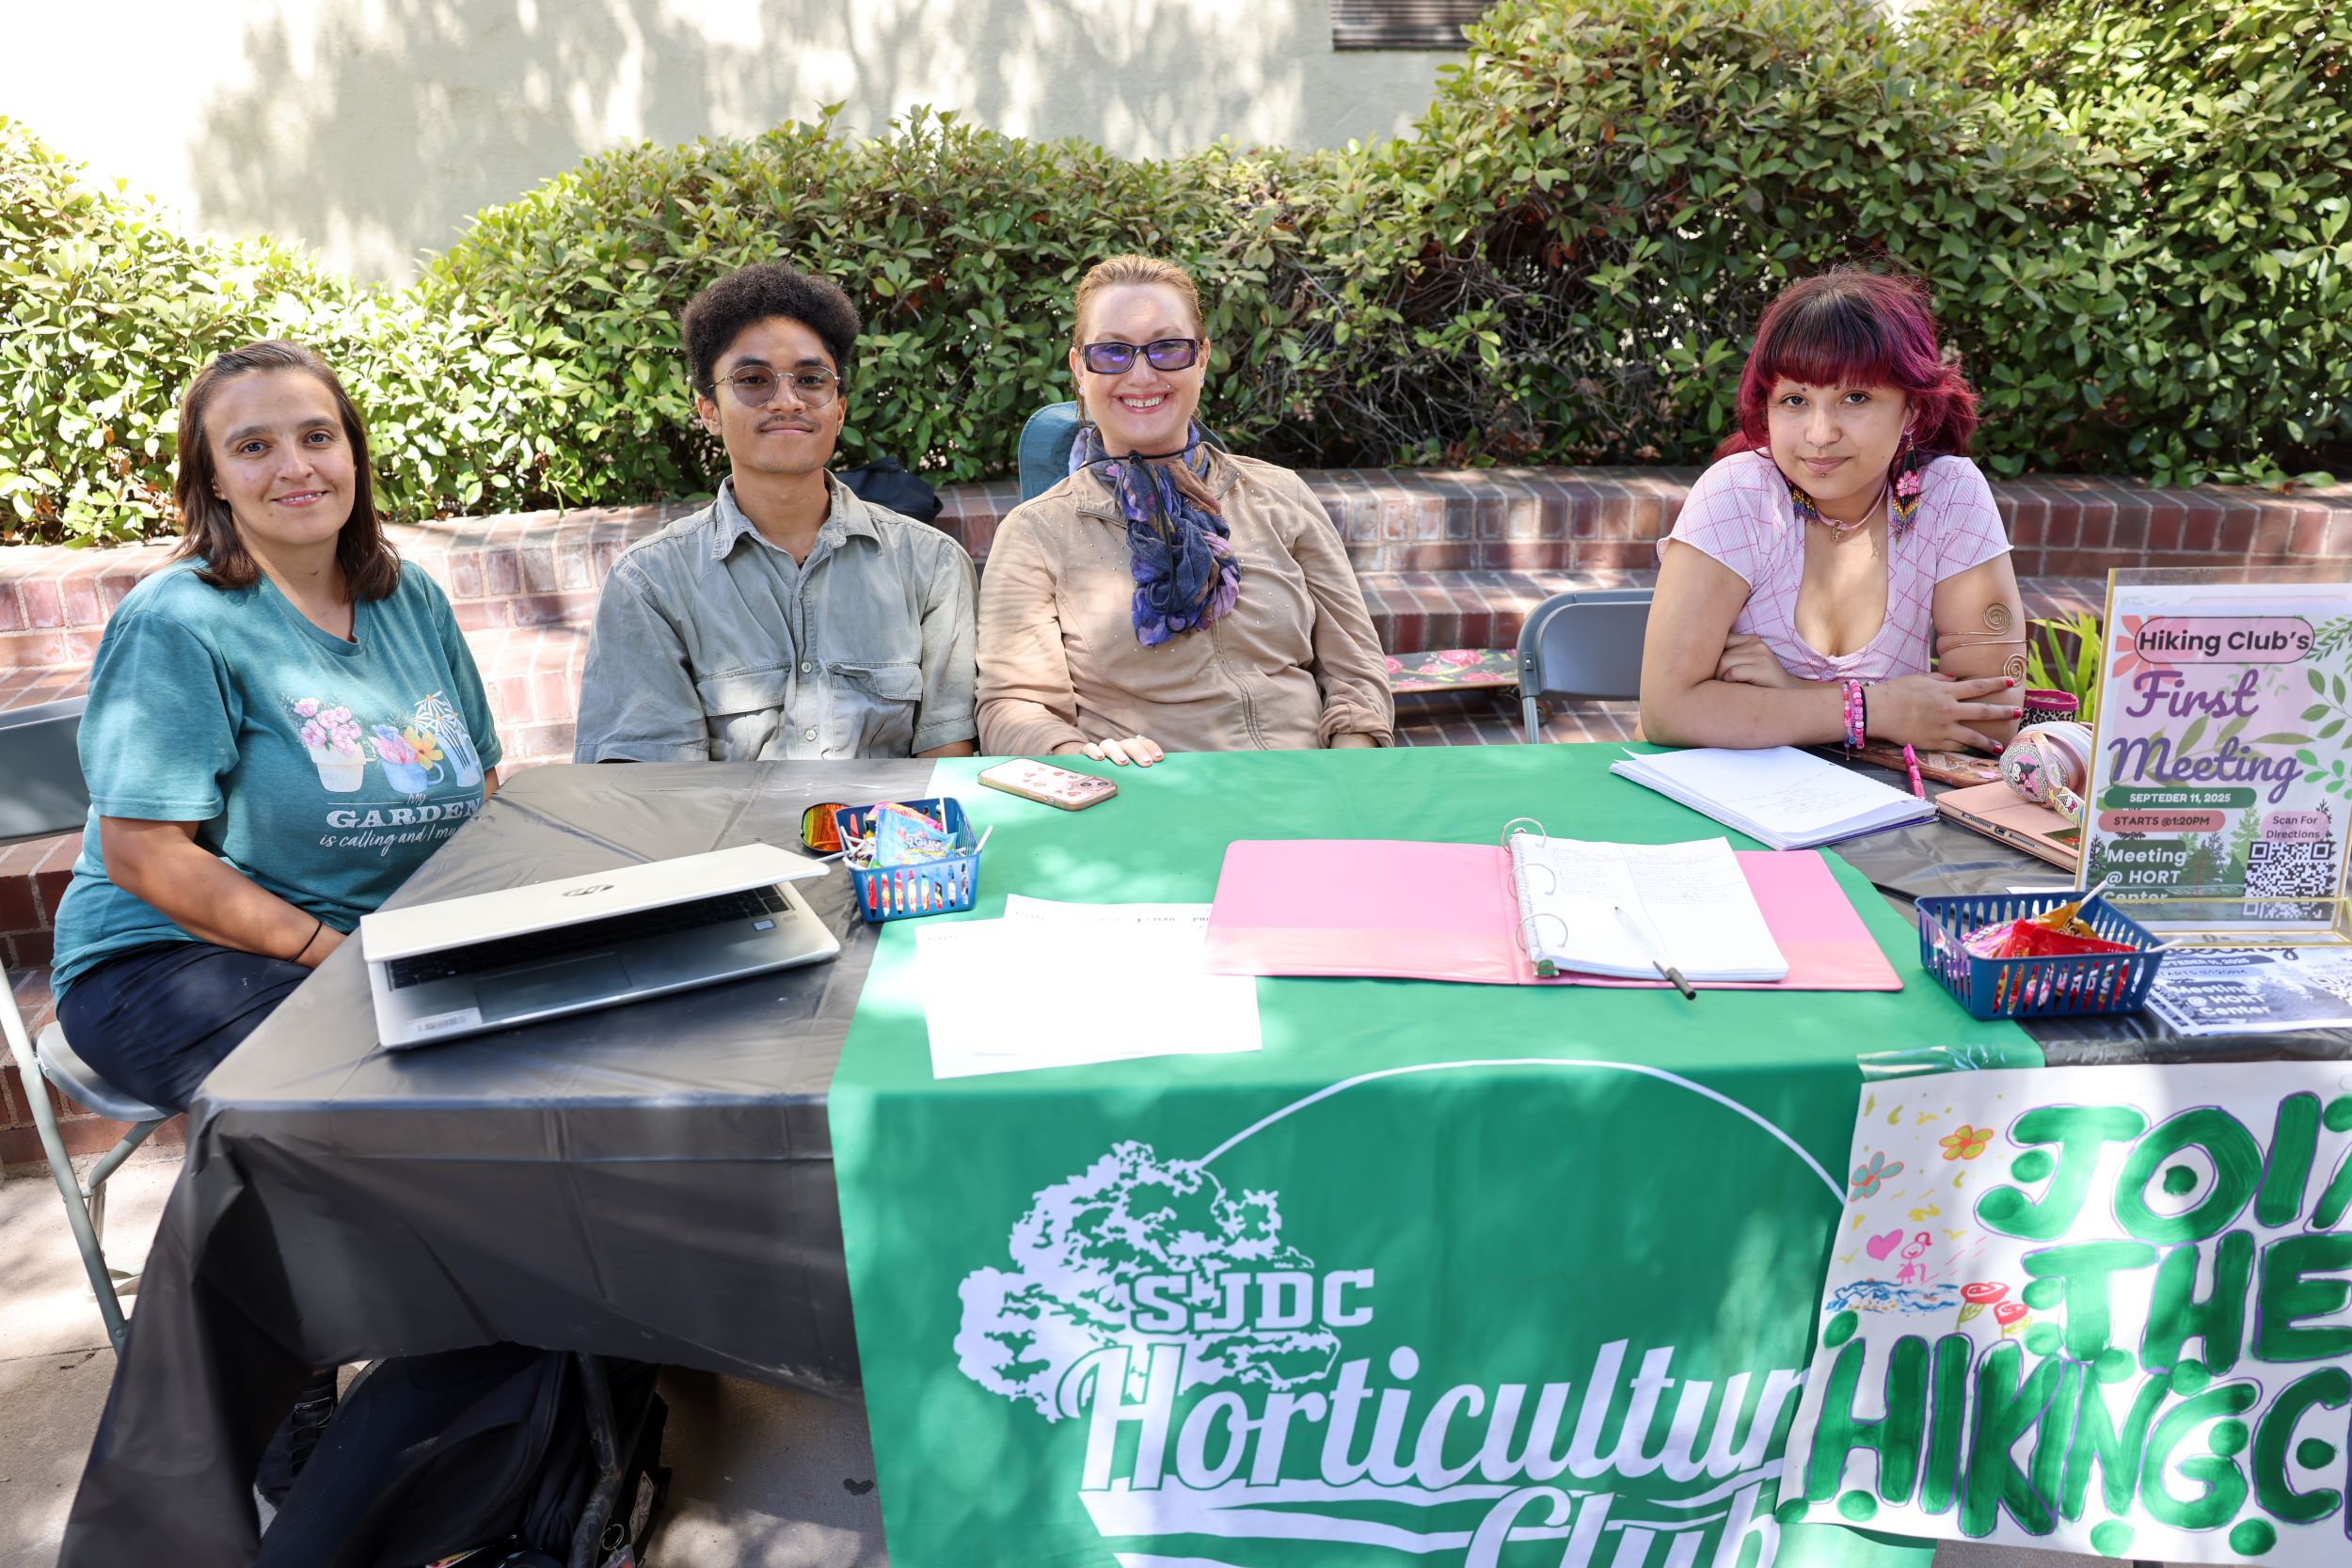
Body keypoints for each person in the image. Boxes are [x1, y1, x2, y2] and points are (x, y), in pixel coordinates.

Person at [46, 338, 505, 1498]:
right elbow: (146, 855)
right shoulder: (180, 621)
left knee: (534, 1061)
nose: (295, 464)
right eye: (252, 445)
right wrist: (329, 955)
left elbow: (480, 789)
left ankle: (500, 1373)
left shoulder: (410, 602)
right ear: (211, 482)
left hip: (363, 950)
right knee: (336, 1112)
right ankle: (278, 1407)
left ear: (353, 452)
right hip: (170, 958)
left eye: (317, 435)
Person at [977, 255, 1392, 763]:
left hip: (1309, 786)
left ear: (1201, 358)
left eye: (1168, 348)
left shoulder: (1282, 495)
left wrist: (1347, 770)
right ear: (1078, 370)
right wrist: (1083, 761)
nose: (1143, 374)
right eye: (1112, 353)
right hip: (1144, 802)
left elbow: (1358, 672)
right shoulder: (1036, 532)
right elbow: (1014, 707)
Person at [573, 262, 977, 762]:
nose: (787, 401)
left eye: (810, 379)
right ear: (709, 411)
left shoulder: (931, 564)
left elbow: (947, 761)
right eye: (753, 380)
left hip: (888, 839)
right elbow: (653, 793)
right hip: (722, 841)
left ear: (840, 408)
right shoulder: (651, 583)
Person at [1638, 266, 2026, 754]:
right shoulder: (1739, 496)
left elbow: (1992, 721)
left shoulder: (1950, 497)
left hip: (1881, 817)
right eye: (1795, 399)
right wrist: (1877, 710)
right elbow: (1667, 711)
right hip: (1715, 805)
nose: (1820, 434)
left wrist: (1796, 695)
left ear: (1912, 410)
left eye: (1855, 397)